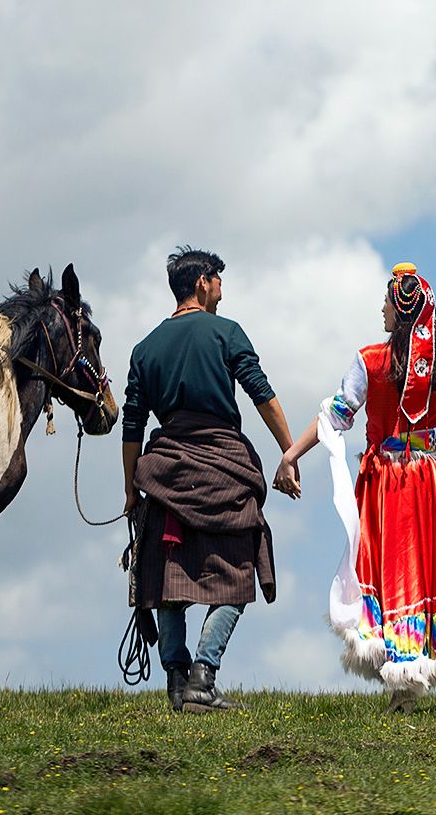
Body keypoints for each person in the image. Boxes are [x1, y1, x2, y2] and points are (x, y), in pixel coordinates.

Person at [276, 263, 436, 710]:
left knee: (390, 573)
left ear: (401, 312)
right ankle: (415, 671)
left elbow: (337, 413)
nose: (382, 309)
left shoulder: (372, 360)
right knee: (424, 572)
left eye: (387, 302)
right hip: (428, 480)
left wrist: (291, 454)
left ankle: (403, 679)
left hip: (387, 482)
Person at [121, 246, 301, 712]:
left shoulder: (145, 348)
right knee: (240, 571)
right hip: (225, 466)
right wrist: (289, 450)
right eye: (219, 279)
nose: (223, 287)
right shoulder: (226, 333)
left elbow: (133, 426)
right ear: (201, 282)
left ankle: (178, 685)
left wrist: (130, 488)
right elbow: (262, 394)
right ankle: (204, 677)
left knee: (168, 578)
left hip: (166, 470)